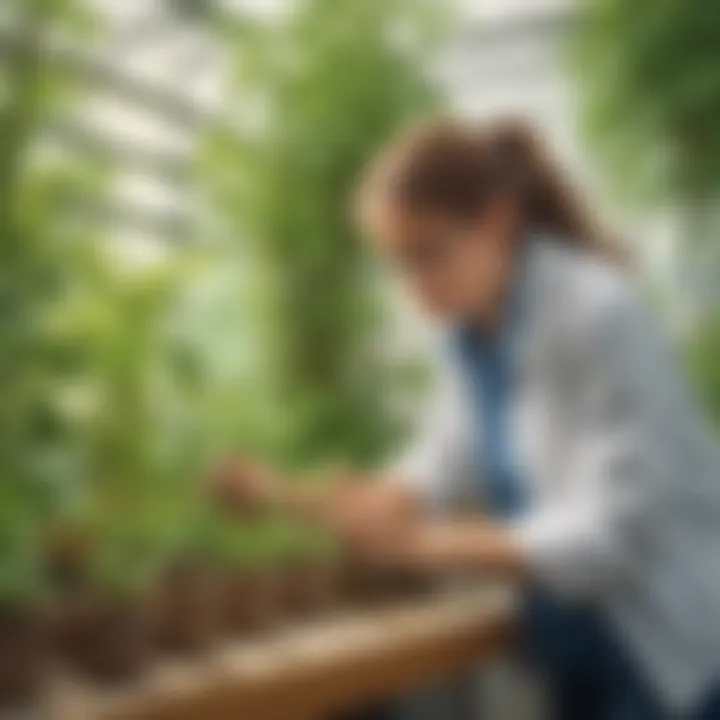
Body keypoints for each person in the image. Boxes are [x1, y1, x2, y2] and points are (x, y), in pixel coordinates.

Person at [212, 119, 720, 719]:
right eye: (397, 265)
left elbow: (612, 540)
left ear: (499, 221)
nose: (416, 288)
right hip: (575, 644)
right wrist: (394, 496)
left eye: (429, 254)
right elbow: (447, 452)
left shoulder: (602, 316)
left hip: (666, 652)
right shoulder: (472, 332)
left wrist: (422, 545)